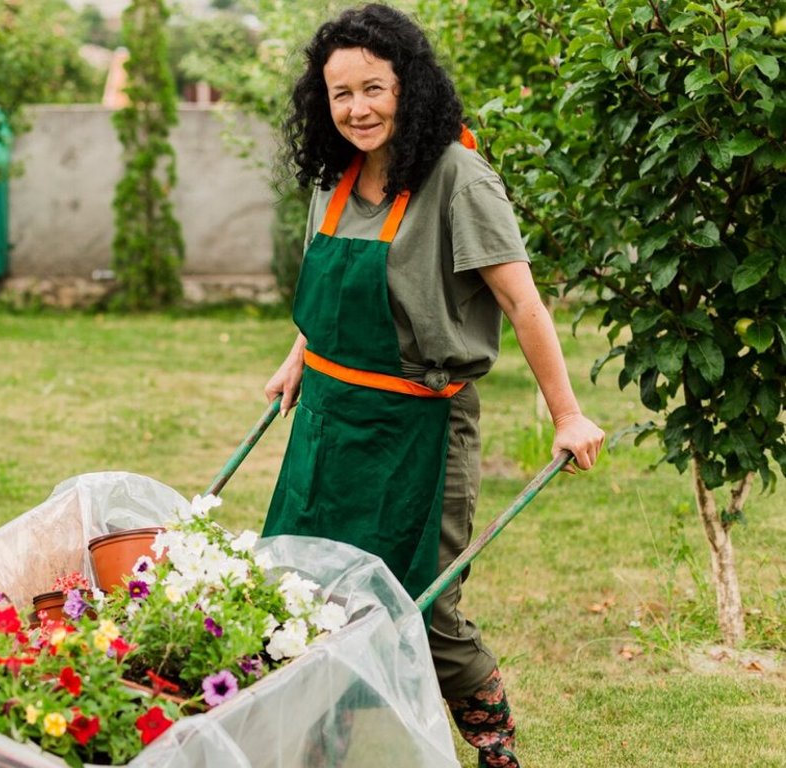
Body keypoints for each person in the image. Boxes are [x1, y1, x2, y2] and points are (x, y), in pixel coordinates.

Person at [260, 5, 605, 767]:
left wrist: (569, 413)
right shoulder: (334, 177)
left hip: (418, 430)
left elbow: (522, 303)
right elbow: (336, 291)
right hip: (327, 423)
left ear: (407, 86)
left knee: (423, 606)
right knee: (300, 589)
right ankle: (327, 749)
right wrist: (301, 354)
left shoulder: (457, 176)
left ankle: (496, 750)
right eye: (340, 93)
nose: (357, 108)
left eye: (373, 88)